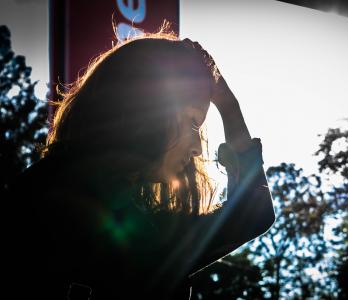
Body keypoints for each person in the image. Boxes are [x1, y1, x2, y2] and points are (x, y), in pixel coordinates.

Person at [4, 27, 275, 299]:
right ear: (148, 109)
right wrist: (227, 105)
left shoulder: (122, 212)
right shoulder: (60, 201)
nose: (196, 148)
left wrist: (228, 104)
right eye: (192, 122)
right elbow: (251, 215)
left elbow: (253, 215)